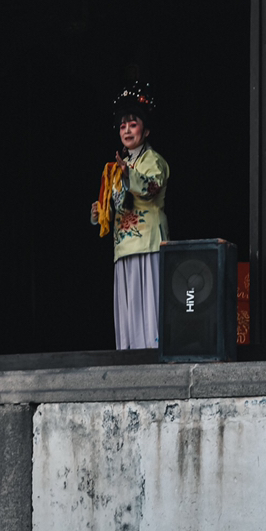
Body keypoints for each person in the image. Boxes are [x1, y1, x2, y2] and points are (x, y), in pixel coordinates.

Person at [90, 84, 169, 350]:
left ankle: (153, 351)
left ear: (145, 131)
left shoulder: (153, 160)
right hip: (124, 245)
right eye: (123, 126)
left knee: (149, 302)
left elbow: (151, 187)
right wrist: (100, 212)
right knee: (130, 304)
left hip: (149, 242)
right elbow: (118, 204)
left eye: (133, 125)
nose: (126, 130)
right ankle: (130, 353)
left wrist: (127, 175)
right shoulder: (119, 166)